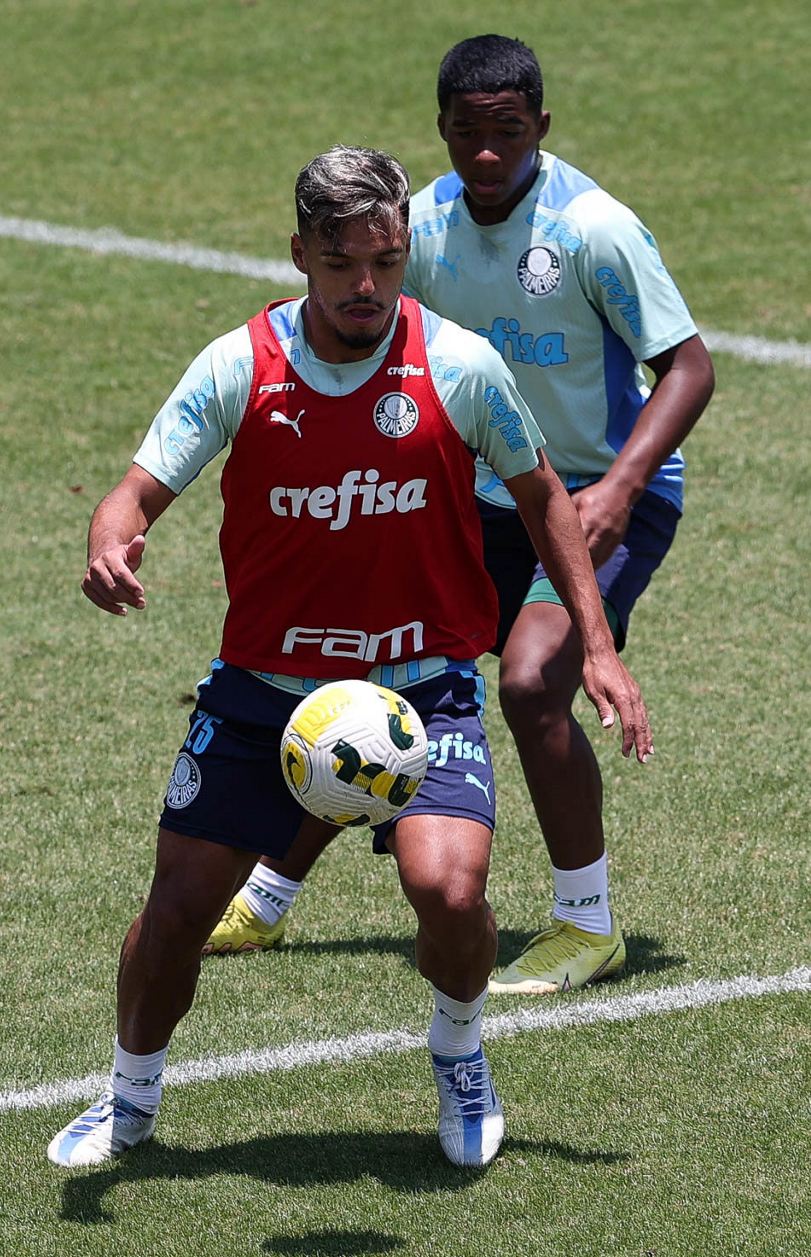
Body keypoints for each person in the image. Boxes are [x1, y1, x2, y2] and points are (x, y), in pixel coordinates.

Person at [48, 144, 652, 1171]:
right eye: (341, 265)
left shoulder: (459, 365)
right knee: (177, 911)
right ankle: (129, 1098)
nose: (365, 284)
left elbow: (545, 497)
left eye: (384, 260)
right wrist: (111, 541)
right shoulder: (240, 365)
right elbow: (135, 490)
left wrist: (597, 643)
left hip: (422, 692)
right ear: (300, 255)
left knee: (450, 894)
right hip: (261, 695)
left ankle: (459, 1054)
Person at [206, 35, 715, 995]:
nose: (487, 152)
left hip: (594, 499)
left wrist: (618, 488)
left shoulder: (593, 228)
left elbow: (688, 367)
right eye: (467, 133)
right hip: (476, 496)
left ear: (542, 126)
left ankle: (588, 923)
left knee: (527, 685)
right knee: (376, 663)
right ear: (440, 128)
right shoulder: (420, 228)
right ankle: (269, 894)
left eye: (508, 132)